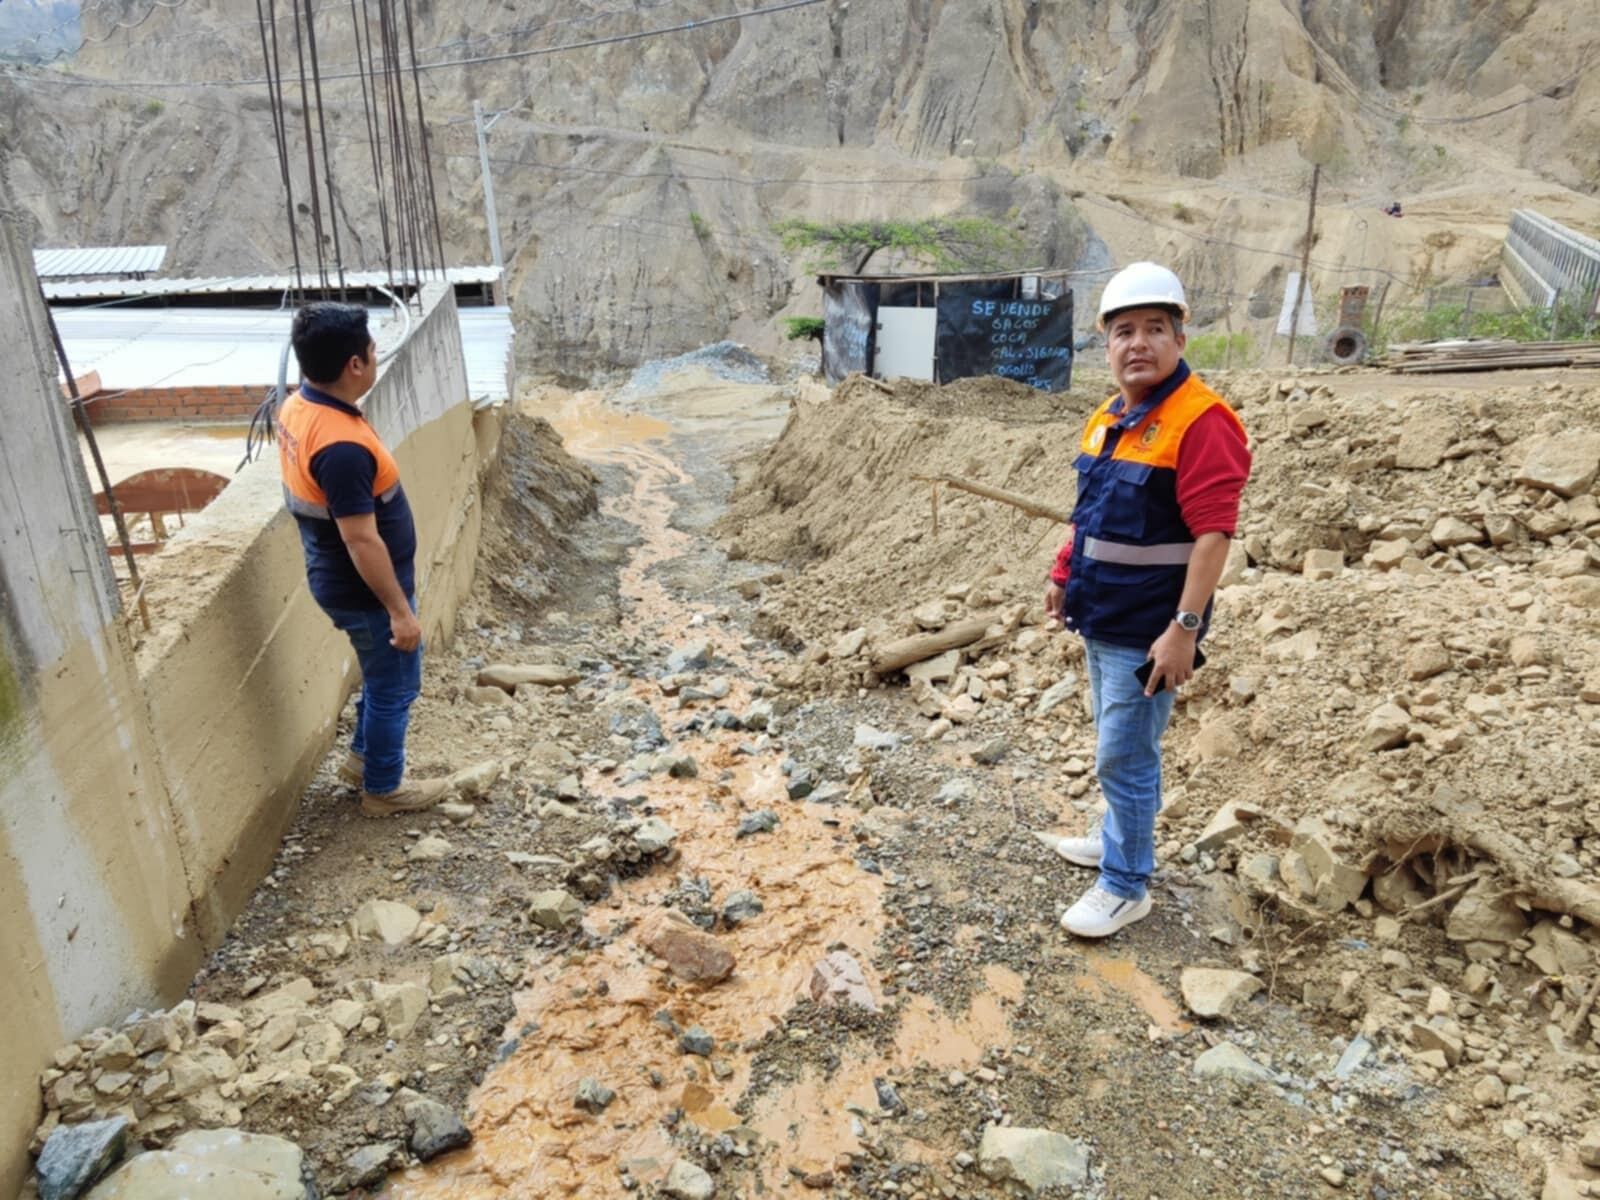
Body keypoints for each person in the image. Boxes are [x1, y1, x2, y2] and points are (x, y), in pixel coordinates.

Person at [1044, 263, 1251, 938]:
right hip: (1103, 613)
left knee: (1125, 754)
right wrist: (1062, 570)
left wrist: (1184, 628)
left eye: (1154, 329)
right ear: (1106, 345)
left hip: (1152, 628)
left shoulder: (1202, 422)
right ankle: (1117, 841)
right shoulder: (1111, 415)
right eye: (1123, 331)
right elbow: (1092, 511)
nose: (1138, 344)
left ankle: (1127, 884)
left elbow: (1214, 535)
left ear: (1180, 339)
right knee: (1122, 743)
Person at [277, 303, 450, 817]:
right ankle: (383, 788)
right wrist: (400, 611)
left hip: (337, 580)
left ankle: (360, 759)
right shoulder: (342, 448)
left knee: (381, 676)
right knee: (397, 686)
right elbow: (361, 540)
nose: (376, 356)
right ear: (355, 364)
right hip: (366, 590)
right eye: (373, 350)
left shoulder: (300, 408)